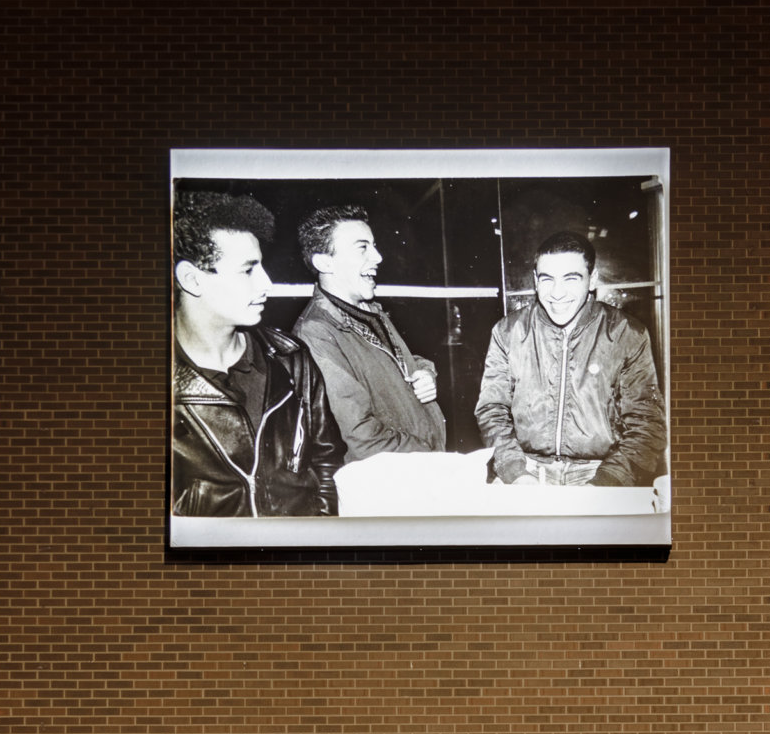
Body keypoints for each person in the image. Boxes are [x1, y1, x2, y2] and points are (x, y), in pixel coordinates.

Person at [171, 191, 344, 517]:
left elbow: (327, 463)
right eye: (248, 270)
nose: (266, 283)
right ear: (192, 280)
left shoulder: (290, 358)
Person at [474, 231, 665, 487]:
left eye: (571, 279)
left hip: (601, 469)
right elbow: (491, 410)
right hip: (525, 466)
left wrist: (606, 482)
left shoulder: (627, 334)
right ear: (535, 281)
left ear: (592, 279)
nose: (557, 293)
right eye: (547, 279)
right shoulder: (508, 332)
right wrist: (515, 472)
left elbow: (646, 425)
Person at [291, 205, 447, 461]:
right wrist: (435, 459)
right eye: (362, 247)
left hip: (417, 470)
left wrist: (425, 371)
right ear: (324, 262)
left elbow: (390, 366)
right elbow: (363, 437)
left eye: (373, 245)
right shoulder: (316, 333)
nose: (378, 257)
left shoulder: (370, 312)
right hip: (392, 481)